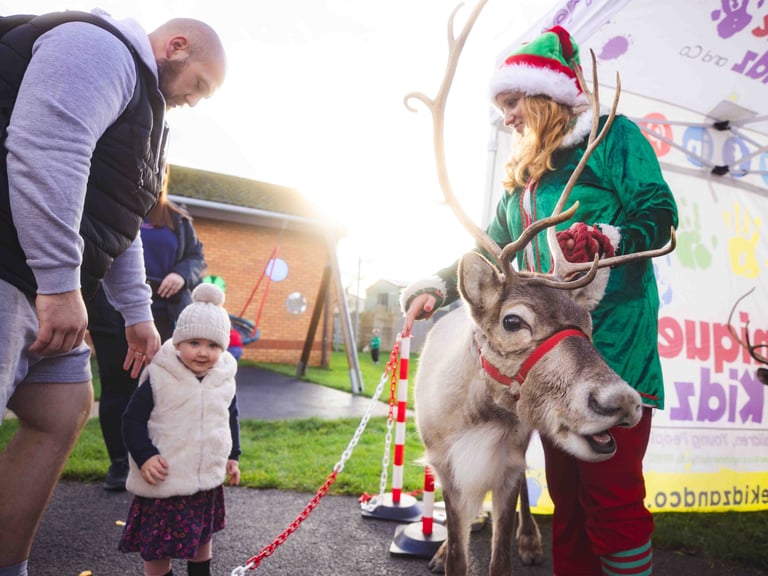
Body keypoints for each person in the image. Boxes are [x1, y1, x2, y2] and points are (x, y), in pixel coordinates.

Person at [401, 26, 678, 576]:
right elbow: (490, 247)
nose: (505, 117)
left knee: (611, 502)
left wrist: (609, 239)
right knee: (567, 504)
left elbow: (659, 211)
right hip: (547, 372)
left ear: (543, 95)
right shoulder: (522, 181)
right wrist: (435, 283)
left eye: (510, 102)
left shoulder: (612, 138)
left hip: (613, 350)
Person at [0, 10, 226, 576]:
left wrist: (137, 314)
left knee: (61, 409)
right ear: (176, 46)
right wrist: (58, 282)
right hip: (9, 267)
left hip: (38, 284)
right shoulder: (96, 48)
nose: (196, 101)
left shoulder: (148, 116)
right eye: (199, 84)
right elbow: (45, 151)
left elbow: (119, 219)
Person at [88, 176, 207, 492]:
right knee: (118, 386)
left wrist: (181, 275)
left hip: (165, 312)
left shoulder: (179, 220)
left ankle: (154, 459)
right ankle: (119, 463)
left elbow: (197, 259)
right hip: (112, 309)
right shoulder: (110, 206)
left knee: (161, 387)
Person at [118, 283, 240, 576]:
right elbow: (131, 420)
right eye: (194, 343)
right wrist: (145, 456)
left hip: (204, 481)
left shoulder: (223, 378)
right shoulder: (160, 374)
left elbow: (229, 416)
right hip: (165, 479)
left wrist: (232, 455)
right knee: (158, 548)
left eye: (213, 346)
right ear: (178, 342)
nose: (203, 352)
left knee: (201, 540)